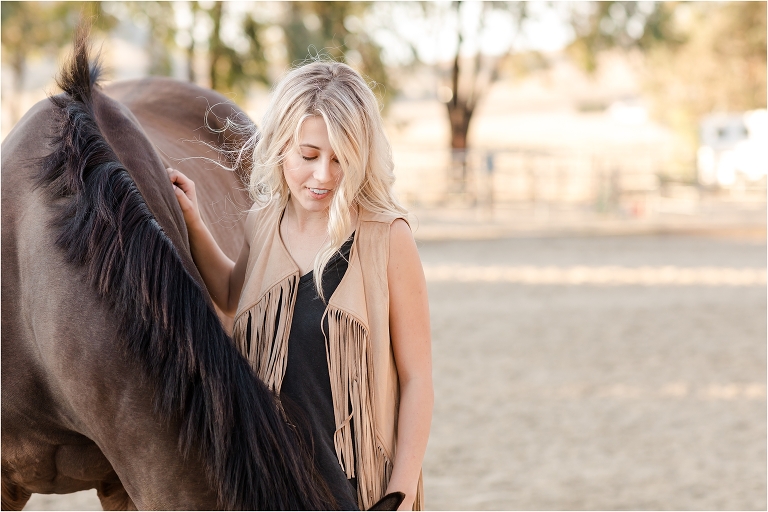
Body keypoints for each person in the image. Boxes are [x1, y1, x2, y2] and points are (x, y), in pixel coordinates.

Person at [167, 61, 433, 511]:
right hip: (266, 479)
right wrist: (193, 221)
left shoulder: (389, 239)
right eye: (308, 156)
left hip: (356, 485)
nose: (324, 176)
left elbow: (417, 379)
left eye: (341, 159)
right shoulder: (262, 223)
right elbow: (234, 295)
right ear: (280, 148)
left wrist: (401, 494)